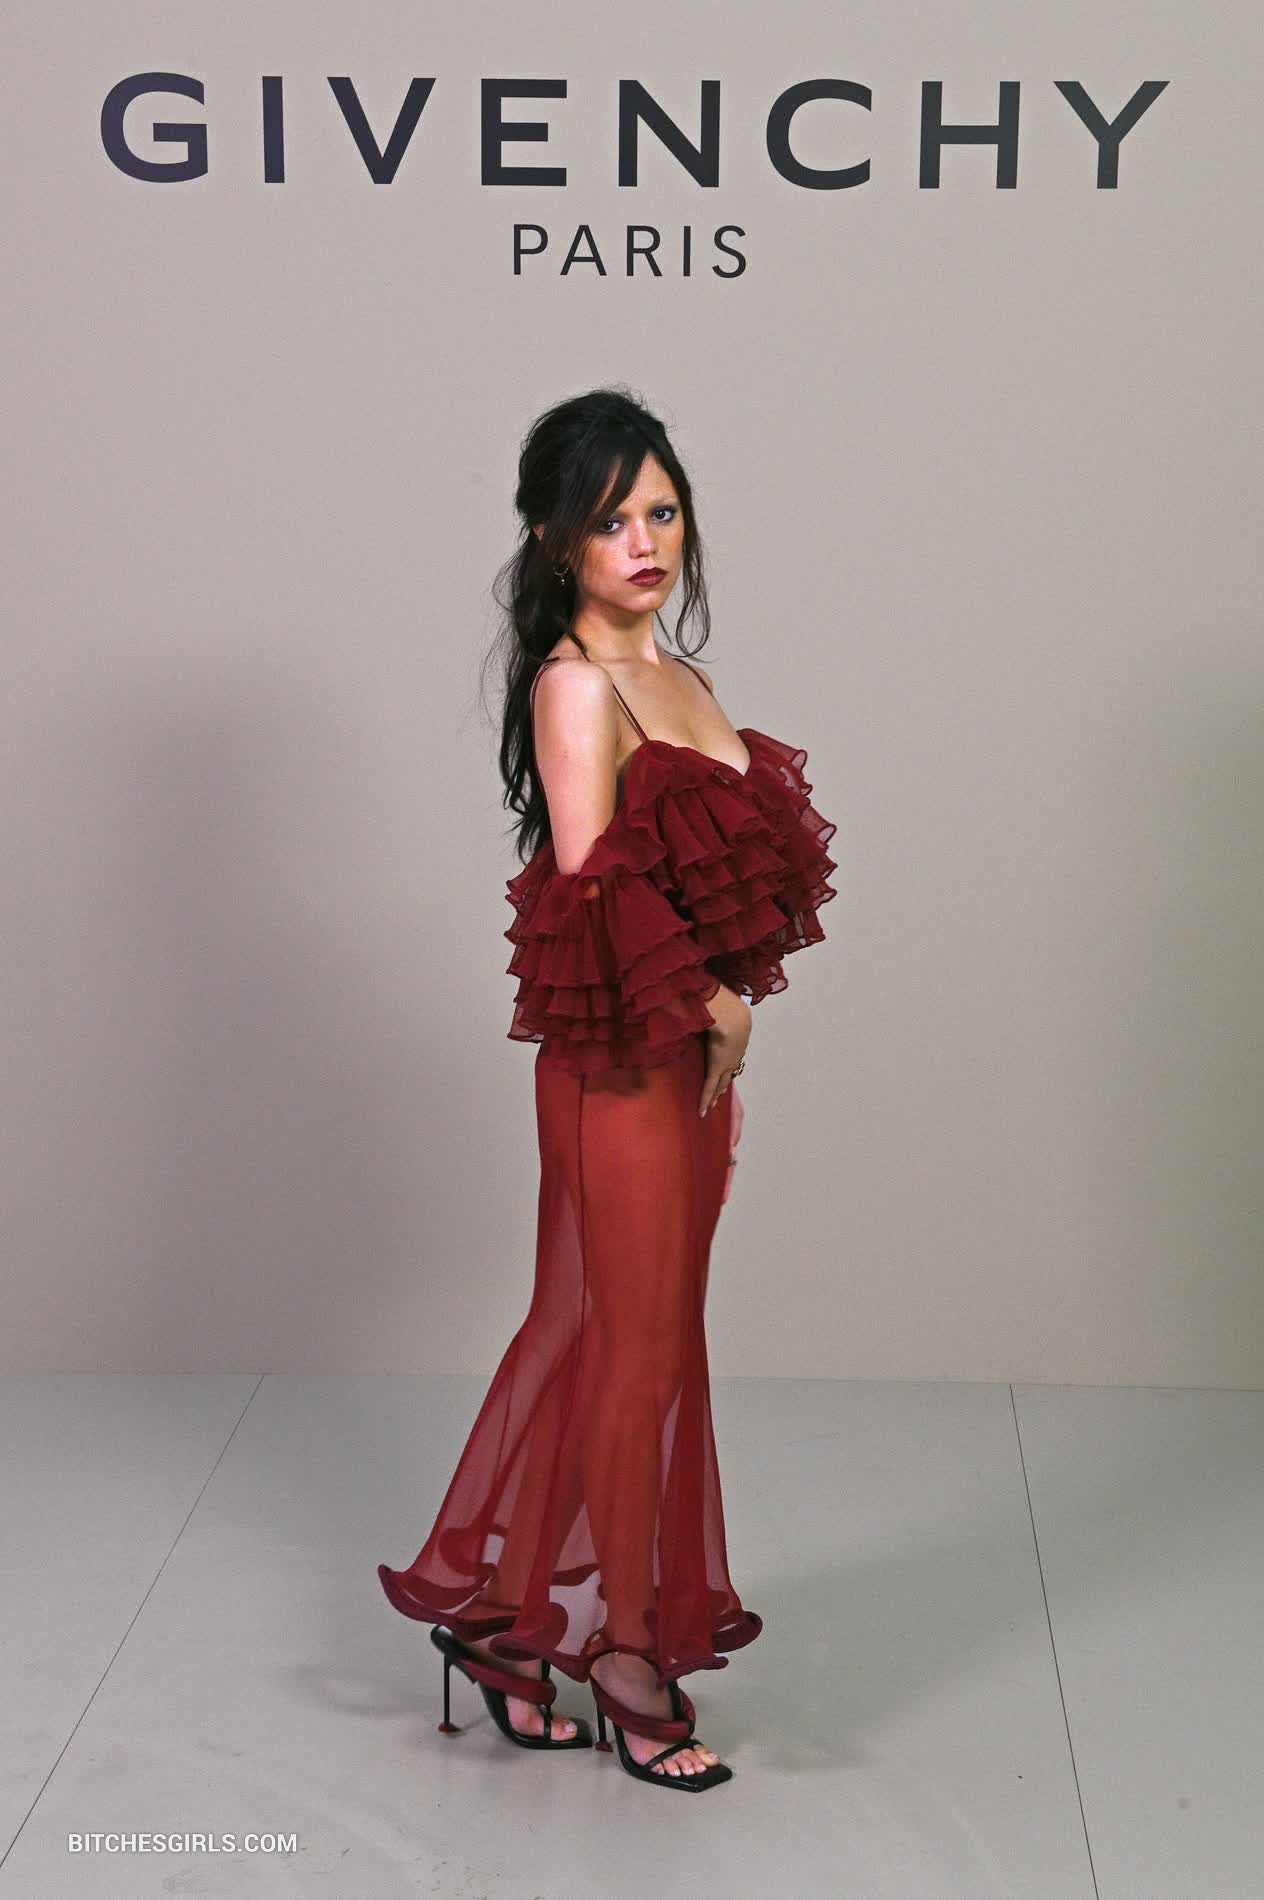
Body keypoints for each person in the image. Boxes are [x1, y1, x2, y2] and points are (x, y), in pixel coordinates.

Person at [378, 386, 837, 1791]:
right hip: (626, 1063)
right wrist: (713, 1006)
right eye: (608, 519)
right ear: (551, 539)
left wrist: (723, 1019)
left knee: (605, 1333)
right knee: (632, 1355)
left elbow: (718, 872)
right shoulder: (575, 685)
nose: (644, 542)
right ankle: (627, 1658)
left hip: (686, 1067)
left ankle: (506, 1631)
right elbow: (593, 883)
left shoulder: (679, 676)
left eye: (661, 510)